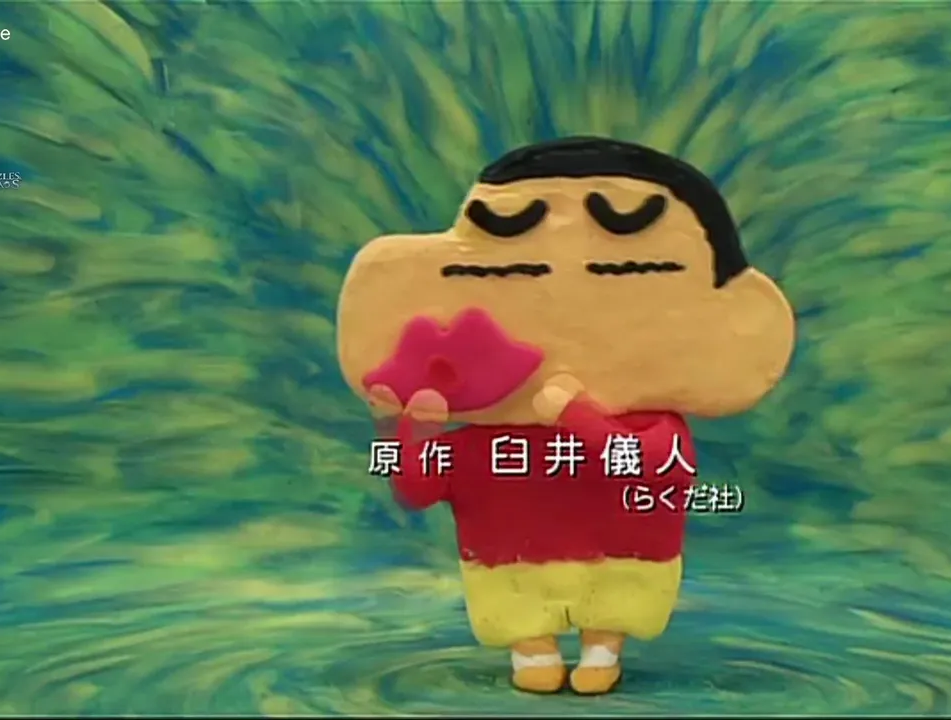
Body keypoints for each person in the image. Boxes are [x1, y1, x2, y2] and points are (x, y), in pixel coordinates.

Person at [337, 136, 795, 695]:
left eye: (621, 272)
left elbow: (648, 468)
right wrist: (406, 429)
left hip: (625, 556)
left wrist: (575, 415)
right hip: (506, 563)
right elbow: (417, 488)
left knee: (615, 602)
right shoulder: (482, 443)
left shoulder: (655, 428)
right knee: (523, 614)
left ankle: (603, 650)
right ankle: (533, 651)